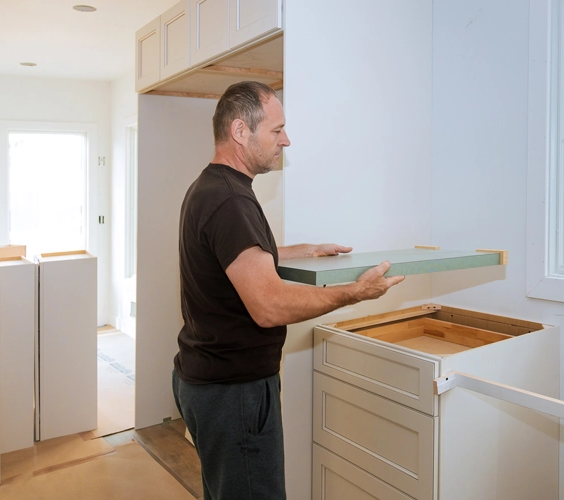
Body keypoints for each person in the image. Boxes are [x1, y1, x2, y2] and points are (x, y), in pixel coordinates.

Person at [172, 81, 405, 500]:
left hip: (207, 381)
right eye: (277, 130)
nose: (286, 140)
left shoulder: (212, 188)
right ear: (241, 132)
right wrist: (354, 293)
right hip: (233, 393)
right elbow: (267, 305)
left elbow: (237, 258)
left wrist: (306, 250)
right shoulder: (230, 201)